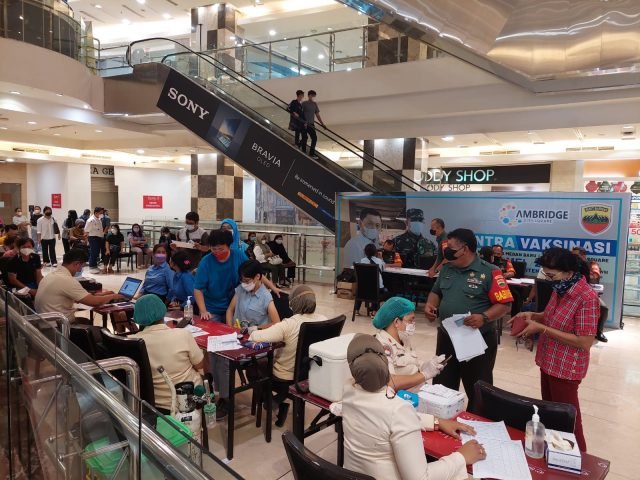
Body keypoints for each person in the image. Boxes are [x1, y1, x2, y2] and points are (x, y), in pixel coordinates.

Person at [342, 334, 485, 480]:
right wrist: (461, 457)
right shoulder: (398, 409)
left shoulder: (348, 389)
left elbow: (383, 417)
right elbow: (420, 478)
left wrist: (436, 422)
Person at [510, 247, 598, 452]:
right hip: (548, 360)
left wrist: (541, 328)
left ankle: (579, 458)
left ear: (569, 272)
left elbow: (584, 341)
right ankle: (556, 452)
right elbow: (550, 316)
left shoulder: (586, 297)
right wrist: (532, 316)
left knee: (568, 420)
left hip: (566, 367)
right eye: (545, 275)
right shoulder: (560, 289)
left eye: (551, 276)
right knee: (550, 413)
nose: (548, 280)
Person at [424, 228, 513, 411]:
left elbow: (505, 305)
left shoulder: (490, 272)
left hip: (476, 340)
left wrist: (484, 317)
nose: (446, 251)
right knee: (442, 385)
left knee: (478, 389)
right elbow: (436, 292)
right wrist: (430, 305)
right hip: (447, 337)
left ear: (465, 249)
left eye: (450, 248)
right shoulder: (447, 268)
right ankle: (444, 420)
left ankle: (476, 423)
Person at [249, 285, 327, 426]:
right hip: (310, 372)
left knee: (252, 368)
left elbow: (256, 337)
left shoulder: (289, 324)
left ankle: (274, 401)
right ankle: (279, 399)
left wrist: (254, 329)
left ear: (294, 303)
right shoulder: (324, 320)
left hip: (284, 375)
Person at [130, 295, 204, 414]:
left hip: (152, 402)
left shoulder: (132, 341)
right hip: (186, 399)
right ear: (163, 311)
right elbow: (200, 365)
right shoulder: (183, 334)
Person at [194, 230, 280, 323]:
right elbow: (198, 289)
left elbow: (253, 271)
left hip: (233, 303)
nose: (217, 252)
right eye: (214, 249)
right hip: (212, 308)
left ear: (229, 246)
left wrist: (272, 287)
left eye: (221, 249)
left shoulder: (238, 255)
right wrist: (203, 311)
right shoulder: (206, 262)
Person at [373, 297, 446, 392]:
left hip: (419, 390)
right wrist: (425, 374)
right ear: (396, 322)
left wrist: (428, 366)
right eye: (410, 321)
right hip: (403, 397)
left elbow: (412, 367)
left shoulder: (403, 339)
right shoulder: (382, 346)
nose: (413, 324)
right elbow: (390, 382)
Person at [35, 248, 123, 322]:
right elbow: (94, 302)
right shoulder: (67, 280)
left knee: (85, 321)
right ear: (76, 264)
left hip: (46, 323)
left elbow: (81, 298)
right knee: (99, 331)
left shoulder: (52, 275)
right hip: (60, 327)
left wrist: (103, 295)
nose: (80, 270)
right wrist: (113, 296)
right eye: (82, 266)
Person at [225, 259, 280, 329]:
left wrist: (256, 328)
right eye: (242, 280)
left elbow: (276, 323)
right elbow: (230, 310)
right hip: (236, 332)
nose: (244, 284)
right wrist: (230, 328)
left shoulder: (265, 297)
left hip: (255, 334)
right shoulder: (241, 289)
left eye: (247, 281)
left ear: (257, 276)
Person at [572, 247, 608, 343]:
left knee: (604, 308)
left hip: (588, 294)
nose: (573, 257)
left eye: (576, 255)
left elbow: (594, 278)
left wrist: (587, 274)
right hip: (572, 294)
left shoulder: (592, 264)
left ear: (583, 256)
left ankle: (599, 332)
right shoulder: (569, 265)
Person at [300, 89, 326, 159]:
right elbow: (300, 113)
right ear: (309, 95)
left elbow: (317, 115)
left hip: (311, 124)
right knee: (305, 138)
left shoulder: (314, 104)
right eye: (312, 96)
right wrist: (303, 122)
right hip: (304, 124)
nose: (313, 97)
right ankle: (303, 152)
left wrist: (322, 124)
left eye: (314, 96)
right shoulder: (304, 103)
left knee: (314, 138)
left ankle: (311, 153)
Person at [85, 207, 105, 274]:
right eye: (101, 213)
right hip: (93, 238)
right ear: (96, 213)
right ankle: (91, 267)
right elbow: (86, 230)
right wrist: (87, 240)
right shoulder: (91, 220)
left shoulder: (98, 219)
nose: (102, 214)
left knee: (96, 253)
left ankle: (95, 266)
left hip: (99, 238)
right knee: (93, 252)